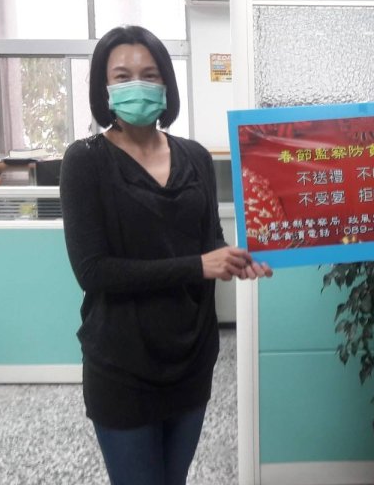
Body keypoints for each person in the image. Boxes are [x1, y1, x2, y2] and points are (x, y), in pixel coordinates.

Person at [60, 25, 272, 485]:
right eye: (122, 76)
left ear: (166, 84)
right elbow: (93, 271)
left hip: (192, 355)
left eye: (150, 74)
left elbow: (210, 239)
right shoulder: (85, 161)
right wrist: (198, 266)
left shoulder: (194, 156)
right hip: (122, 362)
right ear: (104, 87)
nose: (137, 84)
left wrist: (236, 256)